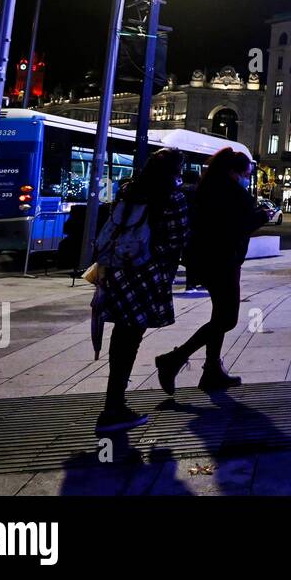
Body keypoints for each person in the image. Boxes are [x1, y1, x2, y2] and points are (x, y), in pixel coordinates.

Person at [155, 149, 268, 393]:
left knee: (219, 316)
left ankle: (211, 370)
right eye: (246, 174)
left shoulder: (206, 188)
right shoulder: (235, 195)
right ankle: (173, 360)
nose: (247, 179)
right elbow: (233, 230)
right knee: (228, 319)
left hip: (205, 262)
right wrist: (259, 218)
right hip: (224, 263)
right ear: (234, 172)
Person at [93, 148, 189, 433]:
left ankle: (114, 400)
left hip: (119, 268)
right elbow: (178, 239)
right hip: (147, 272)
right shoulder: (173, 197)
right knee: (130, 336)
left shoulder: (128, 189)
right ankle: (113, 408)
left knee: (123, 333)